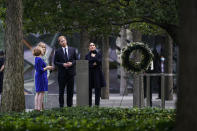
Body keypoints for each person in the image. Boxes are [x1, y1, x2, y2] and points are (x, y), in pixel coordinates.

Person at [54, 35, 77, 107]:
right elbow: (55, 62)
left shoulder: (72, 49)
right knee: (61, 91)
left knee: (70, 91)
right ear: (60, 43)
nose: (63, 42)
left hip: (71, 74)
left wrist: (72, 63)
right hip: (62, 74)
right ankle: (61, 106)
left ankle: (70, 106)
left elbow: (76, 60)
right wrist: (62, 64)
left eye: (63, 40)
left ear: (66, 41)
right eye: (61, 41)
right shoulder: (57, 51)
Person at [33, 46, 53, 111]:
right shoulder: (39, 59)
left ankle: (36, 107)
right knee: (41, 92)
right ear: (40, 51)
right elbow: (41, 70)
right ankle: (39, 108)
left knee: (38, 92)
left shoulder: (36, 58)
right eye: (42, 49)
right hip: (41, 76)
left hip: (38, 76)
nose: (43, 50)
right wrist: (47, 67)